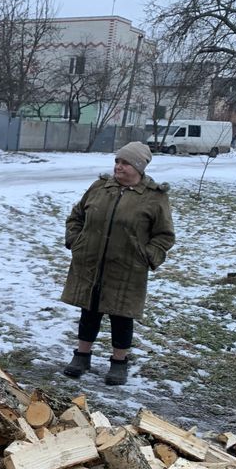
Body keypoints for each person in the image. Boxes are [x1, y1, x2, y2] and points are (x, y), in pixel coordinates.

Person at [60, 141, 175, 385]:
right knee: (89, 310)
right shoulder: (100, 187)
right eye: (117, 161)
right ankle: (81, 356)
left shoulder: (154, 198)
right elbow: (77, 216)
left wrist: (147, 256)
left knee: (122, 315)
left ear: (139, 167)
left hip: (127, 267)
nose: (118, 167)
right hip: (91, 262)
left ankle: (119, 363)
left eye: (125, 163)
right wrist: (75, 240)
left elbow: (164, 236)